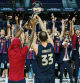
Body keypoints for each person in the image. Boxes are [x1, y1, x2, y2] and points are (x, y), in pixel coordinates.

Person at [8, 17, 37, 83]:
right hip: (20, 79)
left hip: (10, 79)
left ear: (13, 44)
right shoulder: (22, 52)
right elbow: (30, 41)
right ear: (20, 44)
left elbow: (16, 37)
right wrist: (33, 28)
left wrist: (23, 27)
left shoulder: (10, 51)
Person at [31, 15, 55, 83]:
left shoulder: (36, 47)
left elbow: (32, 38)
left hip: (41, 77)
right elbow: (45, 30)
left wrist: (34, 25)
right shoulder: (51, 44)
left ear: (39, 39)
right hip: (51, 76)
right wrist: (40, 19)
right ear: (47, 38)